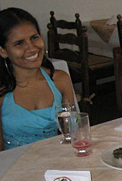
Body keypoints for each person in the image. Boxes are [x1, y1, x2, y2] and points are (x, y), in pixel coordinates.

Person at [0, 7, 74, 150]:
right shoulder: (2, 92)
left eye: (34, 38)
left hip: (55, 161)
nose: (32, 48)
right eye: (19, 43)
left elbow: (72, 132)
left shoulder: (59, 80)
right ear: (3, 51)